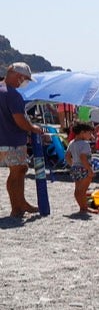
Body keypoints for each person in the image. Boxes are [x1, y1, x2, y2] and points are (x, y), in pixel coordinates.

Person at [2, 61, 43, 218]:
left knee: (19, 171)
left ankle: (20, 203)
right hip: (11, 140)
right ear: (19, 76)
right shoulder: (12, 94)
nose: (24, 83)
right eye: (25, 79)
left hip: (4, 139)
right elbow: (19, 119)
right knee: (17, 171)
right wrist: (33, 129)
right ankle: (17, 207)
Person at [65, 123, 96, 216]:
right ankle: (85, 208)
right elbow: (83, 157)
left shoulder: (72, 142)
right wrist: (89, 170)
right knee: (83, 191)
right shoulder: (85, 144)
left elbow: (67, 156)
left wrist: (73, 164)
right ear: (82, 132)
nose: (91, 136)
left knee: (77, 191)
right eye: (89, 133)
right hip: (84, 169)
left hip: (75, 168)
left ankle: (82, 207)